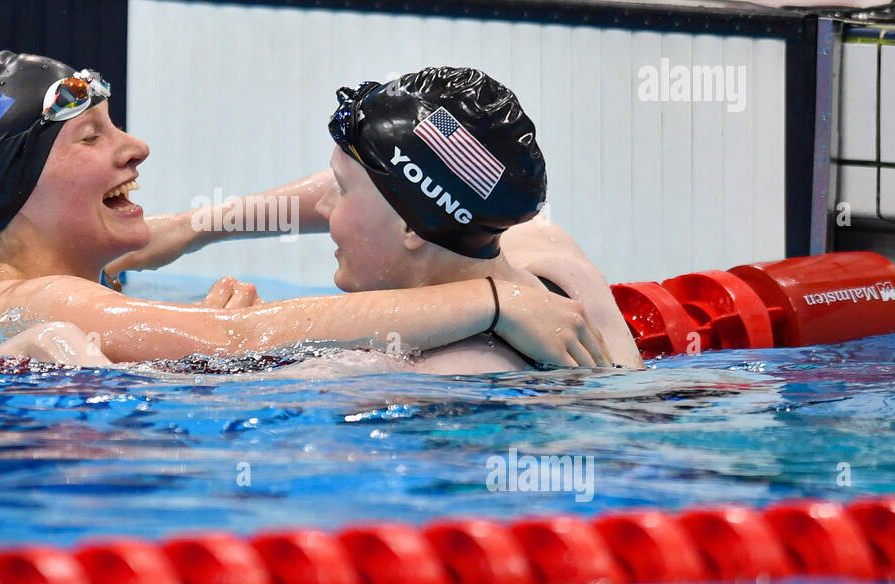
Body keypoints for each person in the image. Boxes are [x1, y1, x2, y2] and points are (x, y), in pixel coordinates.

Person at [0, 52, 614, 368]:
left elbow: (375, 186)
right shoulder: (33, 303)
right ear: (17, 187)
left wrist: (189, 244)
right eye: (92, 136)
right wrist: (490, 300)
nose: (136, 147)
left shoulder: (61, 299)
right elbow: (238, 343)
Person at [105, 66, 643, 371]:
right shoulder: (548, 256)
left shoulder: (409, 371)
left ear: (410, 226)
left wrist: (209, 350)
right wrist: (190, 229)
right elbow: (419, 188)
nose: (321, 209)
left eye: (340, 192)